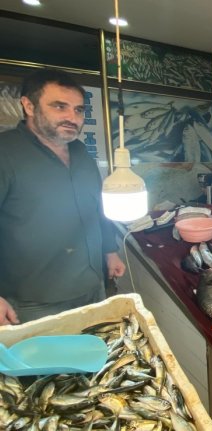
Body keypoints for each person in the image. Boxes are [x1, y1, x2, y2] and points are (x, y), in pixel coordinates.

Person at [0, 68, 125, 325]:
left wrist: (110, 251)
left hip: (92, 286)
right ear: (29, 105)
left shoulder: (81, 152)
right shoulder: (5, 153)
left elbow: (98, 208)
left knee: (96, 360)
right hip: (33, 301)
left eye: (79, 110)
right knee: (48, 366)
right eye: (60, 106)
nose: (72, 117)